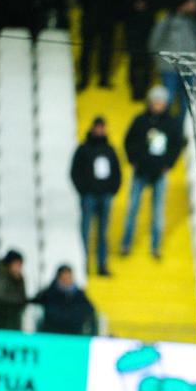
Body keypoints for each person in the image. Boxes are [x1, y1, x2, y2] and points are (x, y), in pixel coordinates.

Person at [122, 86, 183, 259]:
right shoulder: (140, 120)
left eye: (161, 101)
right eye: (155, 101)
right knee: (132, 209)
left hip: (159, 174)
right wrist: (133, 160)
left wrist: (168, 164)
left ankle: (156, 247)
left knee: (158, 213)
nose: (158, 105)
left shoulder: (171, 124)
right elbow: (129, 141)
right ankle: (126, 244)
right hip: (140, 172)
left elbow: (176, 146)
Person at [71, 116, 122, 276]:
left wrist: (111, 190)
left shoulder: (110, 150)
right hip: (89, 195)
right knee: (85, 231)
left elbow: (117, 173)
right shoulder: (84, 148)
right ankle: (83, 264)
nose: (100, 131)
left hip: (105, 196)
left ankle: (102, 265)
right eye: (98, 127)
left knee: (103, 233)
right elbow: (74, 172)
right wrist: (84, 190)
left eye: (102, 127)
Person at [148, 0, 196, 127]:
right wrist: (159, 61)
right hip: (169, 68)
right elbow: (153, 41)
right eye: (191, 3)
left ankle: (178, 131)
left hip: (188, 68)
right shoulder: (167, 20)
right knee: (168, 99)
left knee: (186, 101)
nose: (194, 6)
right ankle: (164, 128)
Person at [78, 0, 120, 90]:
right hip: (90, 10)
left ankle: (103, 78)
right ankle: (83, 79)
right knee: (87, 47)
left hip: (107, 12)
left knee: (106, 47)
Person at [121, 0, 160, 101]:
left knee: (147, 61)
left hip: (150, 31)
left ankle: (143, 91)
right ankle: (134, 91)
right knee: (134, 60)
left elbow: (159, 4)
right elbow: (125, 6)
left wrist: (147, 6)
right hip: (134, 30)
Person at [32, 266, 96, 335]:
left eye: (69, 278)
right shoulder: (50, 293)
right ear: (59, 279)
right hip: (52, 334)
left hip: (75, 334)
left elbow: (90, 309)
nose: (67, 281)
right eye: (64, 278)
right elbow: (51, 314)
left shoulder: (79, 294)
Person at [0, 250, 27, 330]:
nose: (20, 267)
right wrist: (20, 300)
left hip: (12, 323)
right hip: (1, 323)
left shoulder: (18, 278)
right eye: (18, 264)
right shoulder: (1, 276)